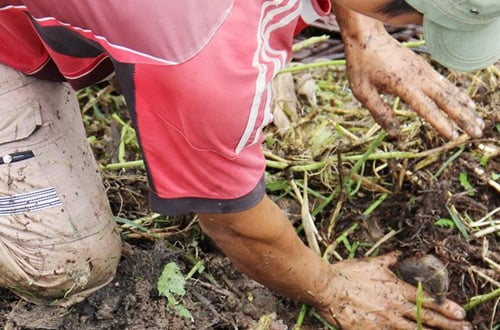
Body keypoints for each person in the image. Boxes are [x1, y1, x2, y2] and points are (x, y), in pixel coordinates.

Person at [0, 0, 497, 328]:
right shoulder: (203, 59)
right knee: (67, 268)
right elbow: (235, 225)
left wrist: (368, 33)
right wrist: (330, 288)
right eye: (418, 18)